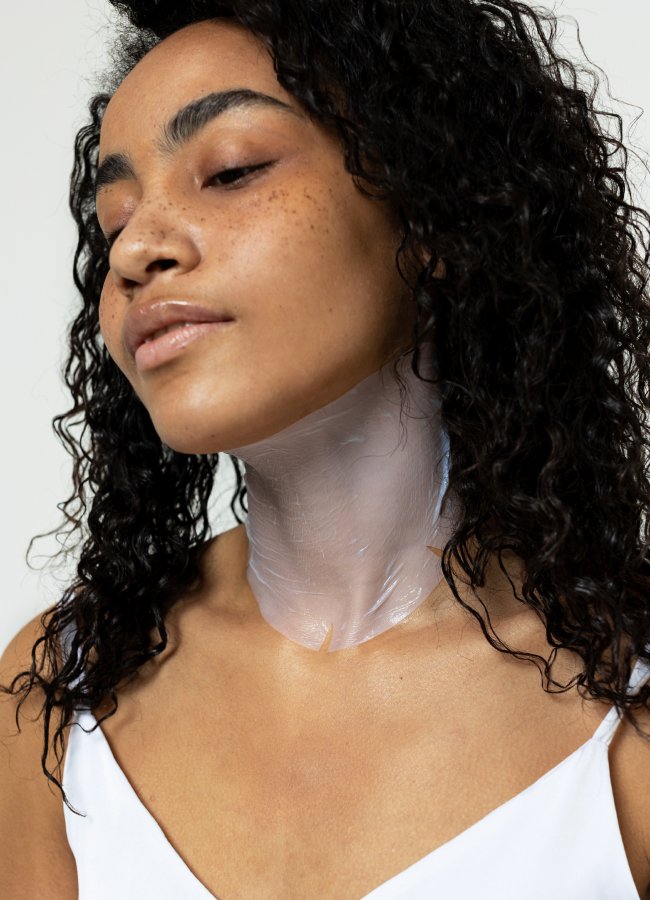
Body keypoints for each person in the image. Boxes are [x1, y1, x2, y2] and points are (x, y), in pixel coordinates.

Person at [2, 1, 650, 897]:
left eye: (231, 170)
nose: (136, 250)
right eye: (113, 221)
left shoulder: (628, 710)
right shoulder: (58, 692)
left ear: (434, 213)